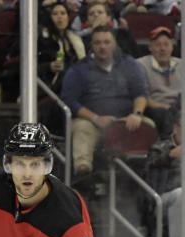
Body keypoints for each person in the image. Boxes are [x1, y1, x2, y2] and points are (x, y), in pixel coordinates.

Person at [61, 26, 148, 176]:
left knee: (148, 126)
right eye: (98, 43)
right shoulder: (79, 69)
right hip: (91, 121)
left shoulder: (129, 64)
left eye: (107, 42)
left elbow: (140, 93)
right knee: (82, 128)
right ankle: (83, 173)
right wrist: (96, 118)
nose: (102, 47)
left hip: (125, 120)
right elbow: (69, 100)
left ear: (114, 44)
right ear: (92, 45)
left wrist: (137, 114)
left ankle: (146, 171)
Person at [135, 26, 182, 139]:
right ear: (150, 47)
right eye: (158, 45)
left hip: (179, 107)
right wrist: (166, 107)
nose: (162, 49)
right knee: (164, 114)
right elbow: (142, 97)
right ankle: (168, 145)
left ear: (172, 47)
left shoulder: (182, 64)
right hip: (155, 110)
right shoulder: (140, 65)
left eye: (166, 45)